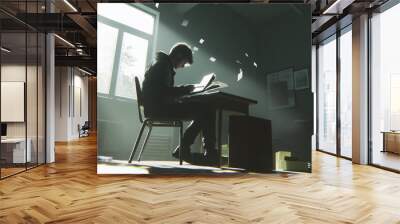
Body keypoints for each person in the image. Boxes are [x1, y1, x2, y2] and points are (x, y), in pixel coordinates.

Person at [141, 43, 218, 165]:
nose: (182, 66)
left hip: (155, 107)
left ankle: (186, 149)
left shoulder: (161, 64)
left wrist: (181, 93)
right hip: (158, 109)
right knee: (206, 109)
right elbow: (162, 91)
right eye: (184, 63)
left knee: (203, 110)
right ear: (179, 56)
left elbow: (161, 91)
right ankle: (208, 153)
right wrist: (185, 89)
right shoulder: (162, 66)